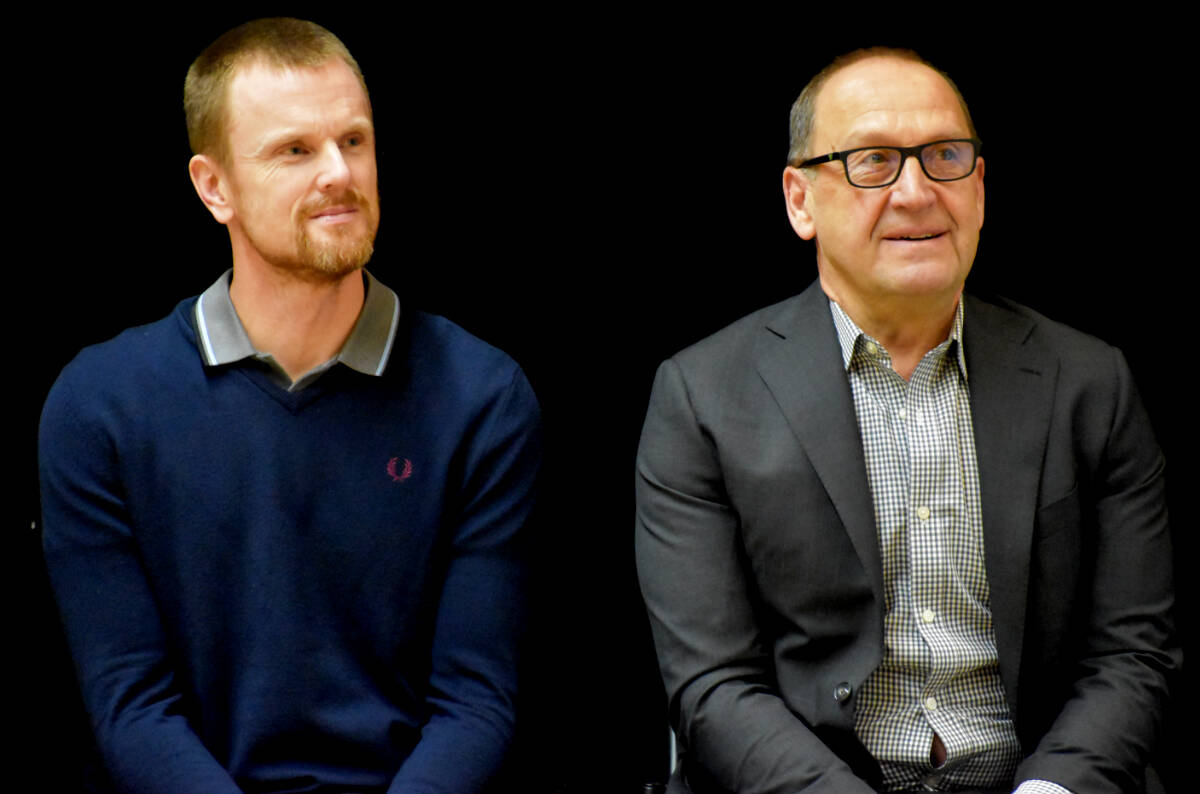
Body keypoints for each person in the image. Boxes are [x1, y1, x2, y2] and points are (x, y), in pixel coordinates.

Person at [634, 48, 1177, 794]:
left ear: (980, 189)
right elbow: (713, 684)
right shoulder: (702, 396)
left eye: (946, 157)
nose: (917, 192)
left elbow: (1132, 654)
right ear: (800, 200)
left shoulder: (1089, 382)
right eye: (873, 161)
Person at [38, 18, 540, 793]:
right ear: (214, 188)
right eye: (294, 151)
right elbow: (131, 708)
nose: (338, 172)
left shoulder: (482, 396)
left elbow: (475, 704)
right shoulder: (101, 405)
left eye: (355, 141)